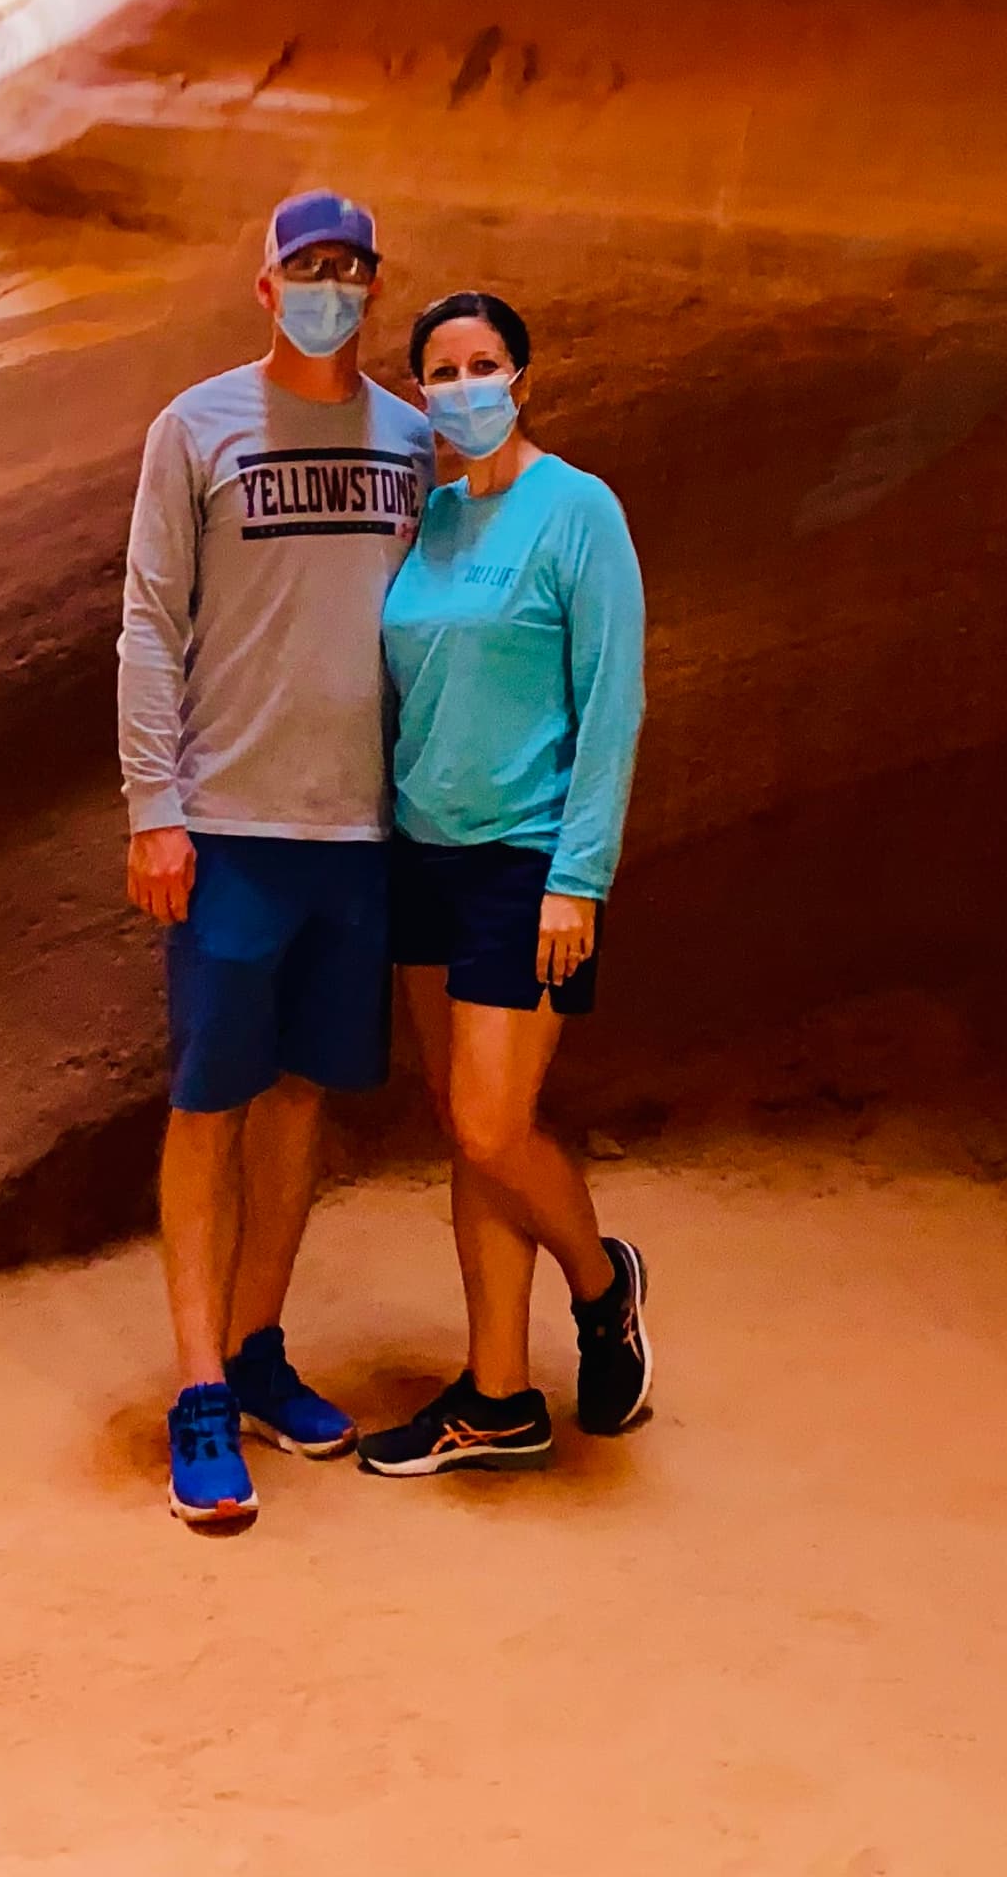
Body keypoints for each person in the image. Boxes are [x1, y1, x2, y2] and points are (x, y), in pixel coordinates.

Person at [117, 182, 429, 1532]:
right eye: (307, 266)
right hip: (233, 825)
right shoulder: (197, 428)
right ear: (265, 286)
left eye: (351, 269)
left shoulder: (417, 444)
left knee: (302, 1100)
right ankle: (197, 1389)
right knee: (208, 1099)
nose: (330, 287)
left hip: (362, 832)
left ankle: (255, 1347)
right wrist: (154, 807)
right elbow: (149, 623)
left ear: (375, 287)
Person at [357, 283, 652, 1474]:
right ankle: (497, 1395)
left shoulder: (577, 510)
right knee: (467, 1132)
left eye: (485, 364)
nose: (464, 386)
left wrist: (578, 877)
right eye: (442, 369)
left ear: (522, 377)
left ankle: (601, 1279)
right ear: (420, 390)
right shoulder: (426, 524)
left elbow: (614, 700)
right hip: (426, 852)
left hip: (527, 861)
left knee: (491, 1119)